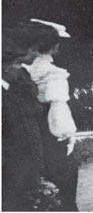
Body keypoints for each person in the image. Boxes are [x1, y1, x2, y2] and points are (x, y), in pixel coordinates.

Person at [21, 18, 79, 211]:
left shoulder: (23, 71)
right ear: (53, 47)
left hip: (30, 137)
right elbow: (60, 119)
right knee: (64, 193)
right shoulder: (54, 74)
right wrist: (68, 136)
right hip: (51, 136)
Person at [2, 30, 45, 211]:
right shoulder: (5, 96)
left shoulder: (10, 92)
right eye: (17, 65)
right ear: (5, 67)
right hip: (11, 170)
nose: (20, 69)